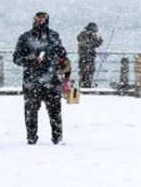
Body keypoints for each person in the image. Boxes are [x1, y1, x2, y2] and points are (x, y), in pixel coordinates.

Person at [13, 12, 70, 145]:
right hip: (31, 81)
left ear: (47, 20)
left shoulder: (54, 36)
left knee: (55, 111)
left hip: (52, 80)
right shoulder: (25, 37)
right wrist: (32, 60)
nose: (39, 21)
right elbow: (16, 58)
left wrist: (66, 74)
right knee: (31, 111)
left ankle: (57, 138)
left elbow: (62, 56)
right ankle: (31, 138)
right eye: (37, 19)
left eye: (42, 19)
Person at [77, 23, 103, 88]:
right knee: (84, 72)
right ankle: (84, 85)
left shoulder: (89, 35)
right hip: (84, 57)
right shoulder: (83, 35)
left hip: (89, 57)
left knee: (89, 72)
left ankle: (87, 84)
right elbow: (88, 44)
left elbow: (97, 44)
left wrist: (99, 38)